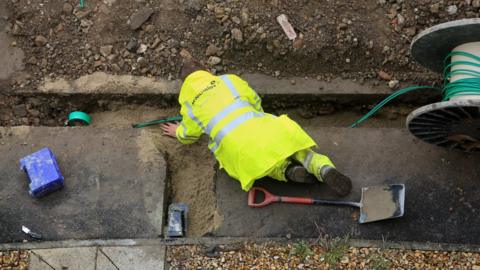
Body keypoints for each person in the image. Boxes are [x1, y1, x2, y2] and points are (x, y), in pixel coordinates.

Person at [160, 60, 352, 196]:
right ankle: (323, 168)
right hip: (265, 128)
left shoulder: (189, 106)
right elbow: (255, 100)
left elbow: (189, 135)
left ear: (185, 85)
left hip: (239, 148)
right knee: (299, 151)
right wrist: (258, 118)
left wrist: (177, 132)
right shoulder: (229, 80)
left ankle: (288, 172)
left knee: (263, 164)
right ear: (207, 70)